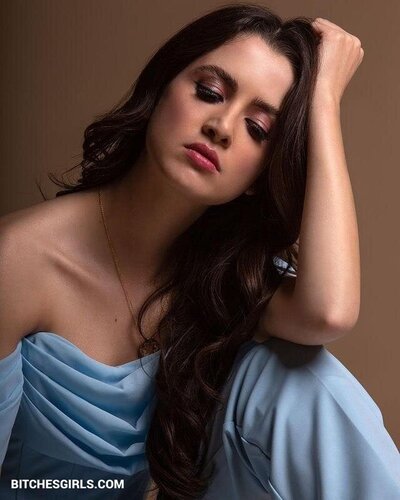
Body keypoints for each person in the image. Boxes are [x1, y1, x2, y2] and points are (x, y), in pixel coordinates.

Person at [0, 3, 399, 499]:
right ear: (161, 88)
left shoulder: (216, 279)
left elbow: (328, 313)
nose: (222, 127)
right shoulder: (16, 260)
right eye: (209, 93)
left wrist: (324, 102)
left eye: (258, 129)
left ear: (259, 178)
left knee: (302, 378)